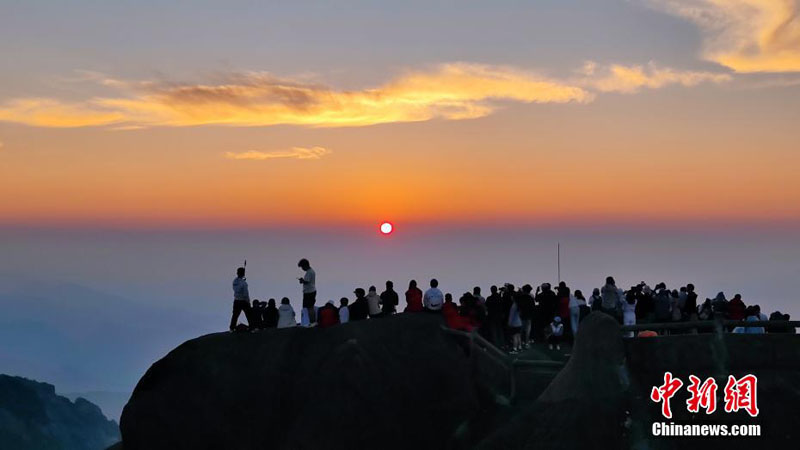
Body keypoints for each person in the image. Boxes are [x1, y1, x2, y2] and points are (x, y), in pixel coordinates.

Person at [230, 267, 253, 331]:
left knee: (235, 315)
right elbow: (246, 294)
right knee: (249, 315)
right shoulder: (244, 283)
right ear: (243, 273)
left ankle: (232, 328)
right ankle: (252, 327)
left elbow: (236, 289)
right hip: (243, 301)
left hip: (236, 300)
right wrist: (248, 301)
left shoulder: (235, 281)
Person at [297, 259, 317, 324]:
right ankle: (310, 321)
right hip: (311, 291)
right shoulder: (311, 271)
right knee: (309, 307)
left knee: (309, 308)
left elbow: (307, 281)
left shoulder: (309, 272)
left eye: (302, 267)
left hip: (309, 292)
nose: (302, 269)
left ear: (305, 265)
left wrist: (302, 280)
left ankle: (311, 321)